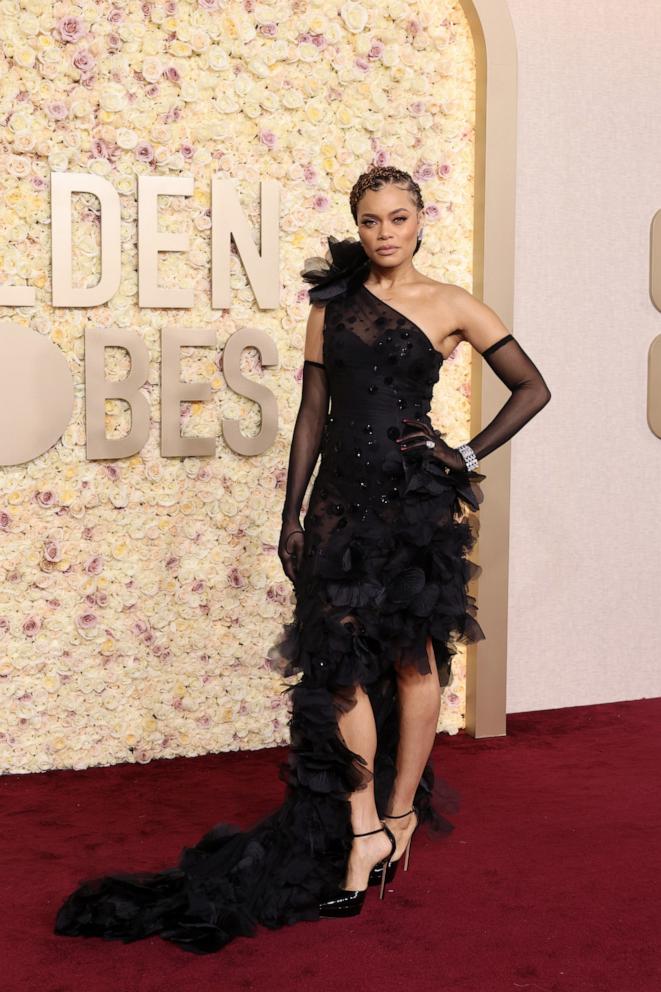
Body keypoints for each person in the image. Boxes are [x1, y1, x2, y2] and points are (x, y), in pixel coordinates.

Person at [53, 165, 551, 953]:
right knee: (340, 667)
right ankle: (359, 832)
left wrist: (460, 451)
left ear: (421, 219)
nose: (384, 232)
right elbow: (313, 413)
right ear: (356, 227)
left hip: (411, 505)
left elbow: (531, 388)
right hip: (338, 506)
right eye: (369, 221)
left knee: (415, 662)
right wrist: (291, 513)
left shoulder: (453, 305)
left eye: (396, 217)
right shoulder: (331, 305)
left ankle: (399, 815)